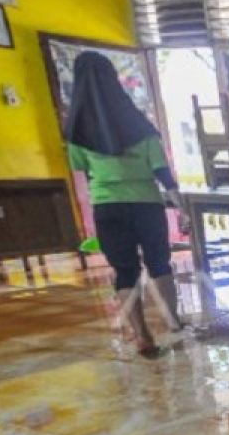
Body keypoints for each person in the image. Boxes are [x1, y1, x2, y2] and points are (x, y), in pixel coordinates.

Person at [66, 51, 187, 359]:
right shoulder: (139, 125)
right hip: (146, 205)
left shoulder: (77, 132)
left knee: (124, 270)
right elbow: (162, 172)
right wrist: (181, 206)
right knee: (159, 263)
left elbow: (84, 170)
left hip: (108, 207)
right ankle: (173, 322)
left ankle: (143, 336)